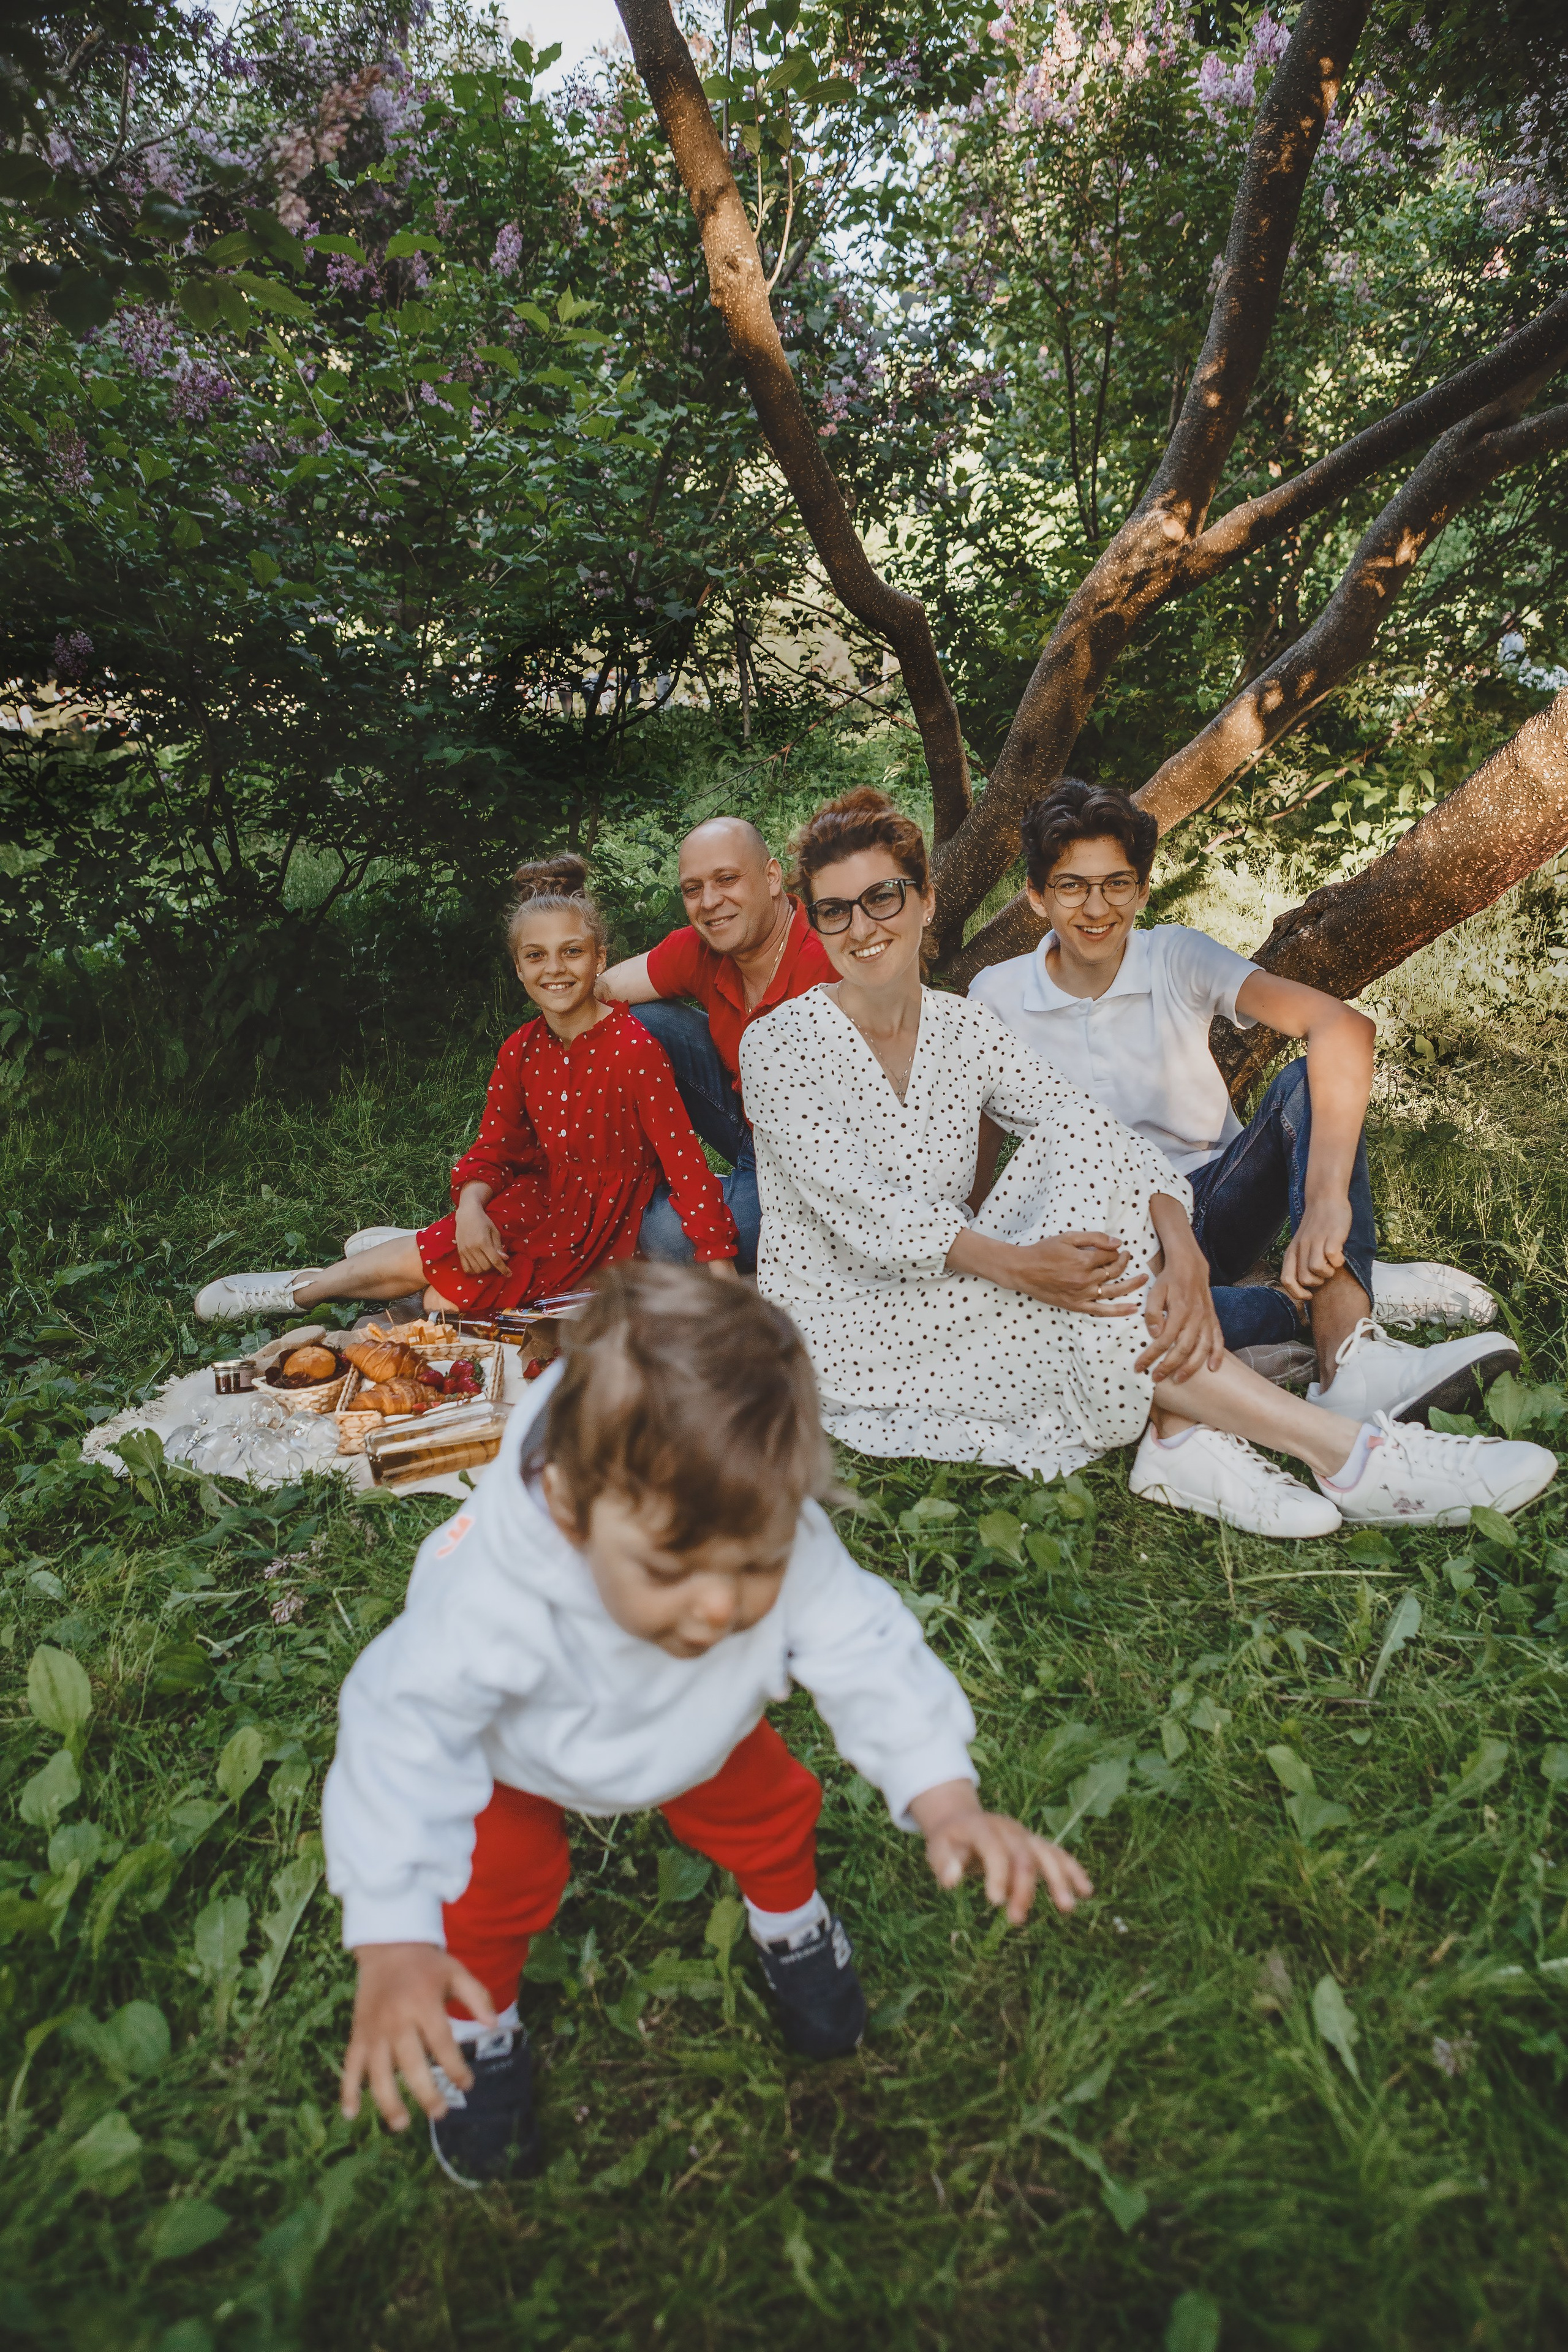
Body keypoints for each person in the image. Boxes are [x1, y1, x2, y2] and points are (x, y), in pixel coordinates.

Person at [325, 1264, 1093, 2187]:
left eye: (756, 1564)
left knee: (767, 1812)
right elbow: (398, 1734)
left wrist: (947, 1798)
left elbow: (865, 1647)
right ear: (572, 1513)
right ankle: (477, 2020)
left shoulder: (750, 1517)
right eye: (671, 1571)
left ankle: (791, 1923)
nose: (719, 1608)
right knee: (491, 1886)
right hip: (519, 1750)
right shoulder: (494, 1604)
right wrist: (395, 1933)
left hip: (700, 1721)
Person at [739, 787, 1556, 1536]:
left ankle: (1206, 1430)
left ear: (923, 901)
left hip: (966, 1271)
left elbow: (1085, 1122)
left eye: (882, 896)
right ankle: (1350, 1456)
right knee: (1079, 1304)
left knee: (1082, 1159)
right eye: (835, 911)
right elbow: (865, 1210)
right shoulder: (778, 1046)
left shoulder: (963, 1027)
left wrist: (1187, 1252)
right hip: (854, 1321)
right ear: (814, 925)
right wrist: (1022, 1266)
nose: (863, 926)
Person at [967, 779, 1516, 1427]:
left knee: (1309, 1080)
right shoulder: (995, 997)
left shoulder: (1174, 955)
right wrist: (978, 1260)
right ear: (1036, 896)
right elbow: (978, 1148)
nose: (1096, 907)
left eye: (1117, 883)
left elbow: (1342, 1028)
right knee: (1097, 1329)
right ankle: (1290, 1306)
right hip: (1108, 1243)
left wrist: (1324, 1202)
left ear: (1142, 890)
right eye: (1071, 886)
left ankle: (1348, 1361)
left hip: (1215, 1201)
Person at [194, 858, 737, 1326]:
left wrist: (726, 1284)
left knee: (443, 1295)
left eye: (571, 952)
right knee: (454, 1256)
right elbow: (495, 1149)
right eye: (536, 956)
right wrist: (473, 1208)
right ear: (519, 970)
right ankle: (300, 1293)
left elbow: (688, 1169)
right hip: (543, 1203)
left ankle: (405, 1250)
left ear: (599, 960)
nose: (555, 970)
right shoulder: (521, 1051)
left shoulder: (634, 1048)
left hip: (610, 1226)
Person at [595, 816, 835, 1272]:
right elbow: (599, 993)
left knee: (668, 1236)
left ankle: (663, 1208)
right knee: (639, 1024)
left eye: (727, 879)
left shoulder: (826, 960)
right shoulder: (706, 949)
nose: (710, 903)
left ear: (771, 877)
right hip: (751, 1127)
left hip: (815, 1169)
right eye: (693, 889)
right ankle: (621, 1184)